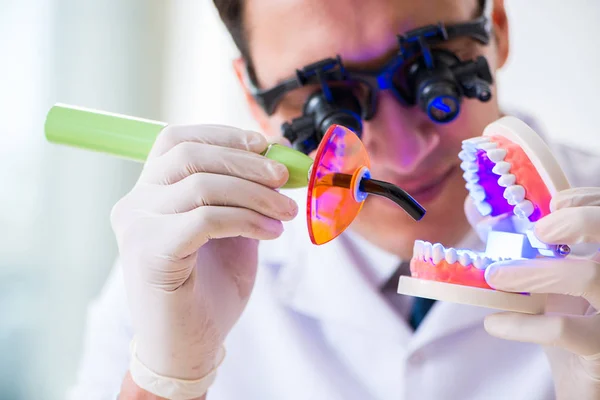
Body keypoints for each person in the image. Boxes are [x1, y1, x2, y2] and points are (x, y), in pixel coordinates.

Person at [67, 0, 600, 399]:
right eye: (331, 107)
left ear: (497, 30)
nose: (403, 153)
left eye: (435, 72)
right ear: (255, 101)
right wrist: (169, 377)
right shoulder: (178, 281)